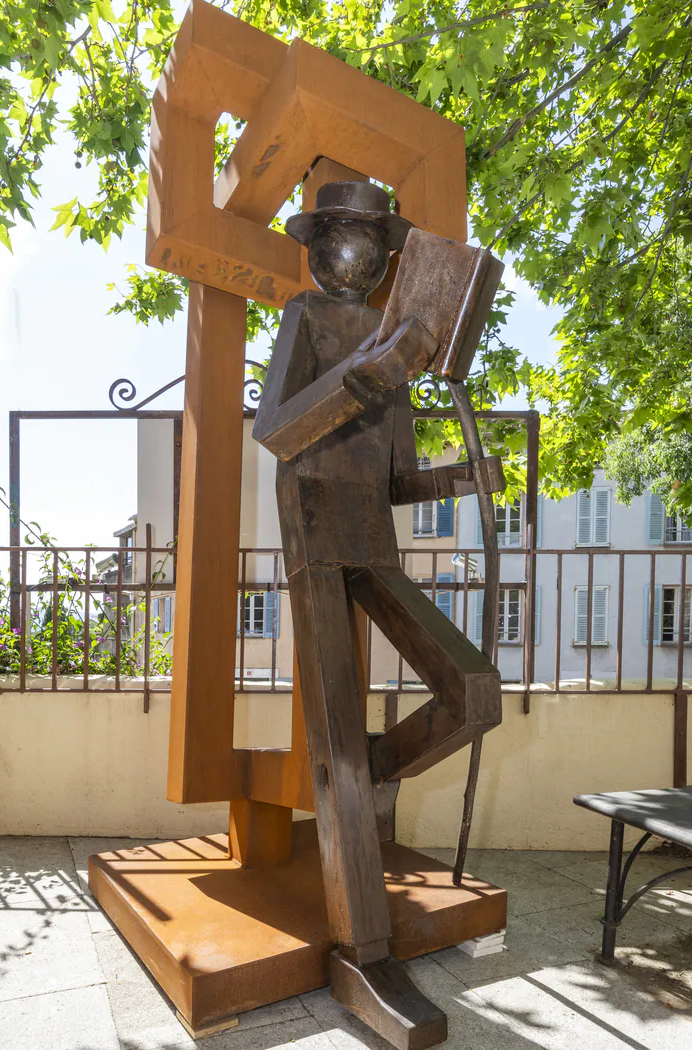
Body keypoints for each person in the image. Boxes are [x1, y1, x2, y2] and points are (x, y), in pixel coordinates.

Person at [253, 181, 501, 1048]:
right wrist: (370, 375)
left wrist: (457, 479)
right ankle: (366, 949)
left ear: (385, 252)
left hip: (374, 542)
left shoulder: (396, 340)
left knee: (472, 690)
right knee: (339, 765)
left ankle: (374, 769)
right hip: (316, 537)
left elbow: (396, 478)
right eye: (342, 234)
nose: (354, 251)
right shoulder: (307, 319)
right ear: (318, 244)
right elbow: (279, 433)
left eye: (369, 237)